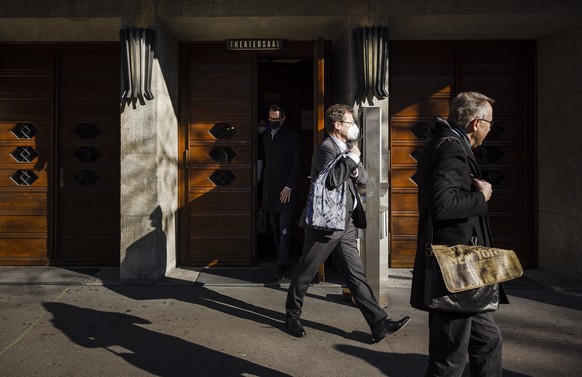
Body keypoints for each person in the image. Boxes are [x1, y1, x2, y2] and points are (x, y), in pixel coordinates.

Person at [285, 104, 411, 342]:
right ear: (337, 125)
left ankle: (379, 323)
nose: (355, 127)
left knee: (356, 275)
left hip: (346, 223)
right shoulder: (326, 149)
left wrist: (353, 164)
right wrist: (351, 159)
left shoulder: (347, 148)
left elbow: (363, 178)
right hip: (326, 224)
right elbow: (331, 181)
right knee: (306, 271)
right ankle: (292, 315)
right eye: (350, 122)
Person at [410, 92, 503, 376]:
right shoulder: (450, 147)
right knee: (448, 359)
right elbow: (443, 204)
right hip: (456, 272)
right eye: (490, 123)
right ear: (476, 123)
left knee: (488, 341)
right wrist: (482, 195)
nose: (491, 128)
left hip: (466, 272)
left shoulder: (446, 142)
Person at [262, 104, 303, 281]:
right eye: (271, 119)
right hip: (269, 191)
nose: (273, 122)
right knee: (274, 230)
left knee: (284, 229)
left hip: (286, 191)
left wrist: (289, 187)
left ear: (283, 119)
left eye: (276, 120)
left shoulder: (291, 137)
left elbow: (298, 164)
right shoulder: (265, 136)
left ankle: (281, 266)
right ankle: (280, 259)